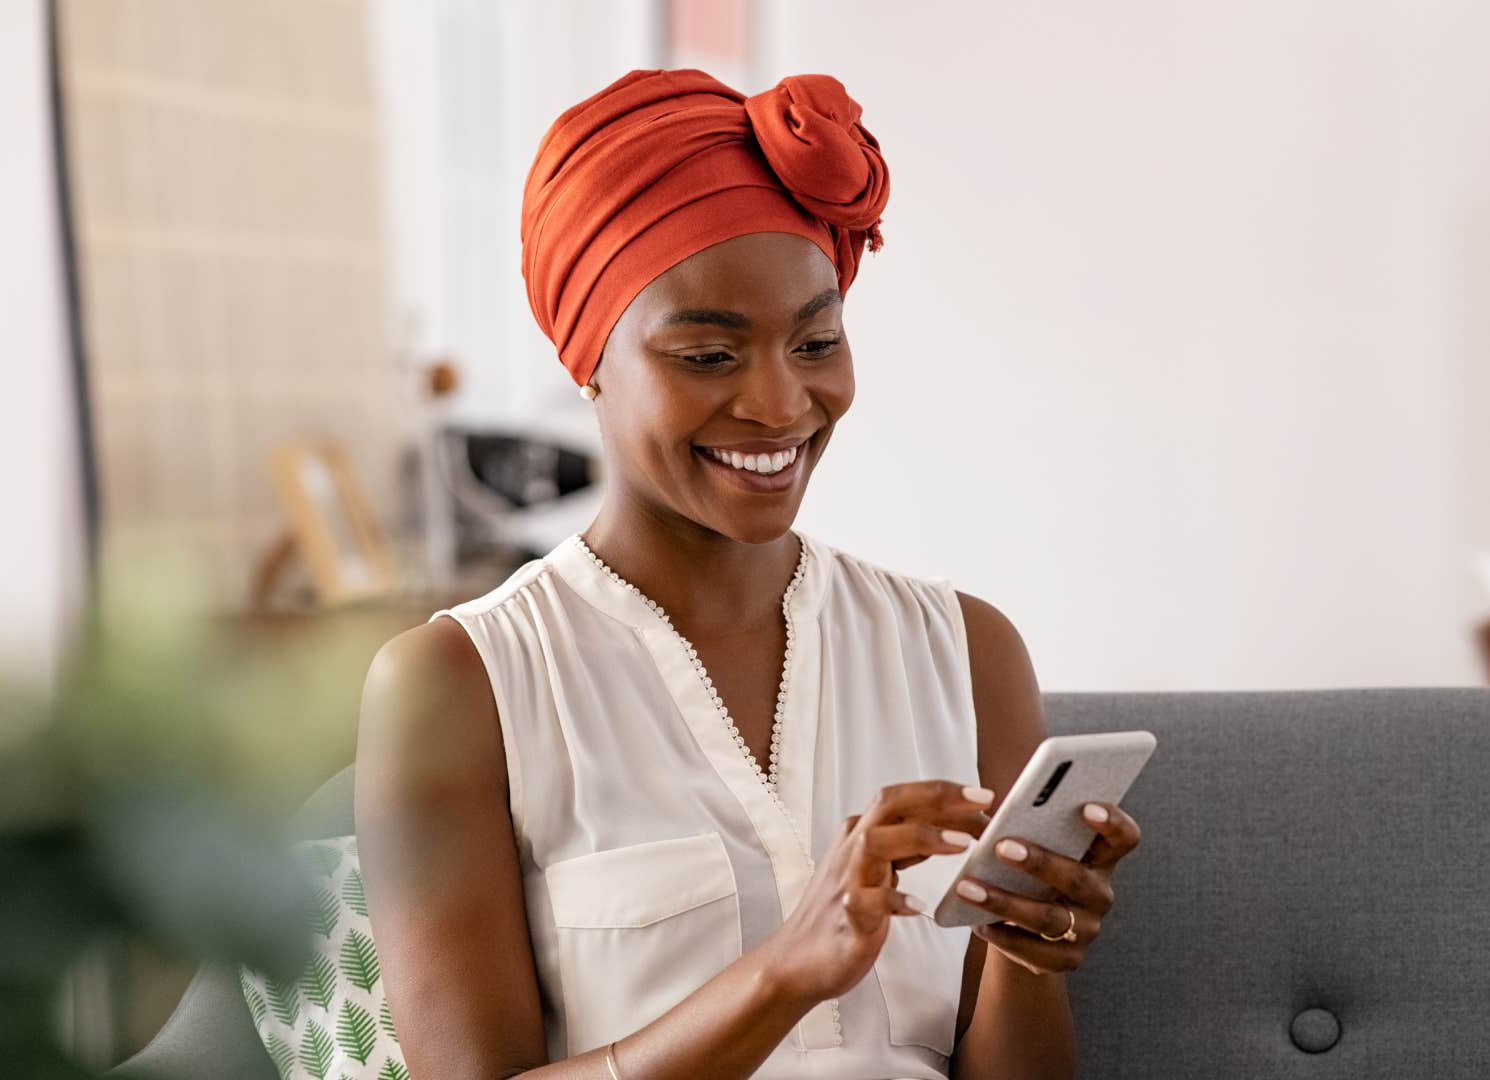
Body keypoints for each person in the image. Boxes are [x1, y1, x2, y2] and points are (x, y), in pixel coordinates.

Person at [354, 68, 1142, 1080]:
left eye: (816, 342)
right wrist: (780, 975)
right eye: (708, 357)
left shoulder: (967, 652)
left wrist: (1028, 960)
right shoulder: (457, 685)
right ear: (588, 360)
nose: (780, 404)